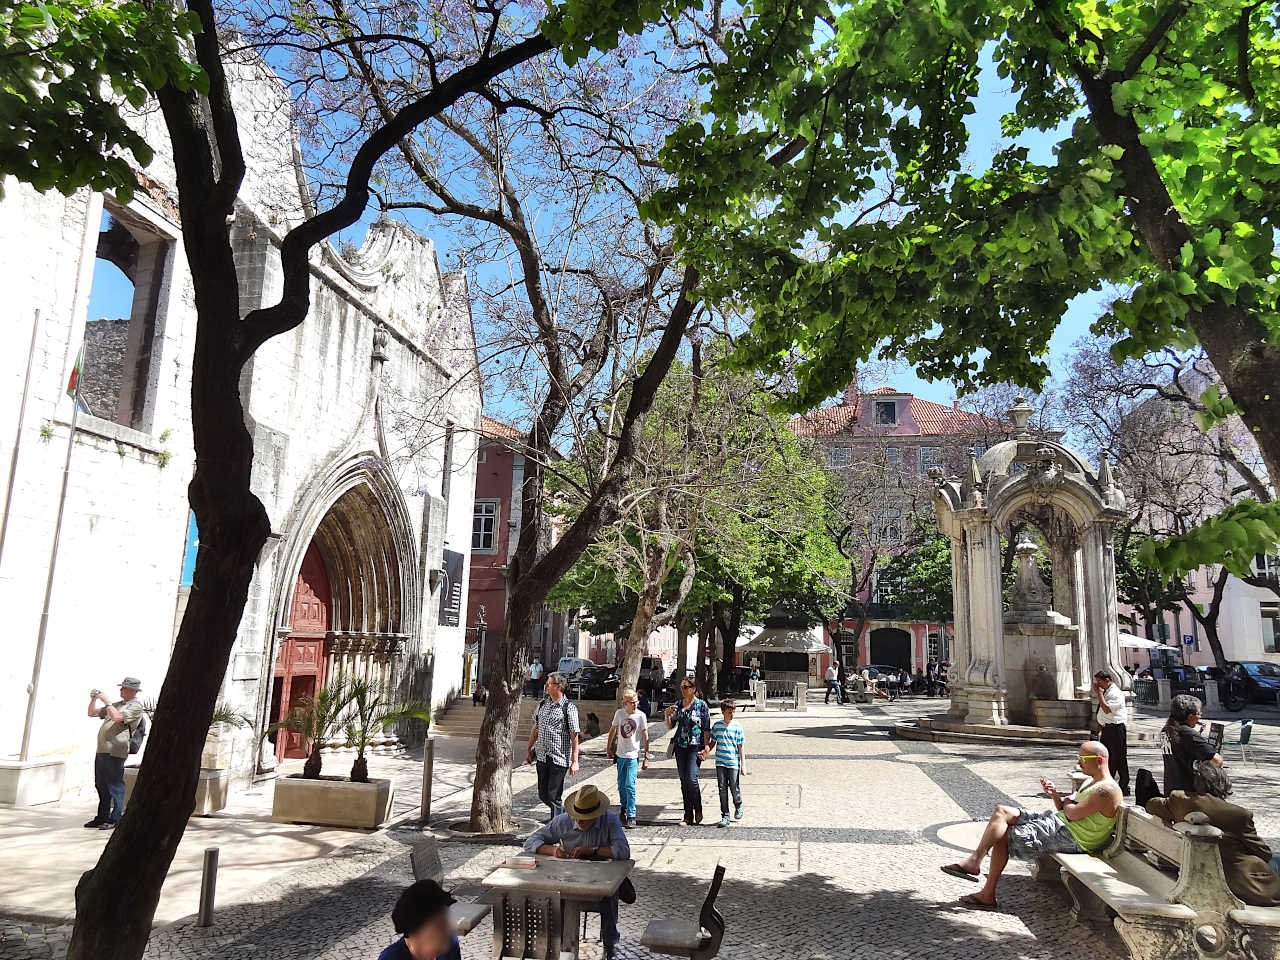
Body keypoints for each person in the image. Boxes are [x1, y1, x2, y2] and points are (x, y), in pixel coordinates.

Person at [940, 741, 1121, 910]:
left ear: (1099, 760)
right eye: (1078, 758)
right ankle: (975, 860)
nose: (1078, 763)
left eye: (1083, 759)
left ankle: (987, 892)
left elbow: (1072, 813)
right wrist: (1056, 795)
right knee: (1001, 812)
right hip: (1060, 824)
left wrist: (1068, 804)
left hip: (1074, 837)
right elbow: (1065, 808)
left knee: (1003, 833)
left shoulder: (1107, 790)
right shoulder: (1091, 781)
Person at [524, 785, 630, 959]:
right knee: (556, 897)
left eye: (586, 819)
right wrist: (553, 851)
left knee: (609, 896)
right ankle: (560, 943)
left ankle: (610, 942)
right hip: (568, 878)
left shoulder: (609, 821)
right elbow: (531, 842)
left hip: (601, 878)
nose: (580, 822)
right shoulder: (563, 821)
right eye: (578, 817)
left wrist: (593, 850)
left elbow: (623, 851)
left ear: (597, 815)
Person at [1144, 791, 1280, 907]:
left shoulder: (1179, 800)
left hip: (1191, 868)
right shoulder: (1239, 815)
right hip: (1238, 881)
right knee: (1276, 858)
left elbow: (1151, 805)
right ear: (1224, 787)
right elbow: (1264, 853)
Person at [85, 677, 144, 830]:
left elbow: (118, 718)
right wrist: (94, 700)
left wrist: (107, 701)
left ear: (133, 691)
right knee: (101, 785)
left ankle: (115, 818)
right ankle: (102, 817)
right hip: (102, 749)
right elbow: (91, 713)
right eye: (121, 688)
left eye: (124, 688)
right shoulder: (117, 704)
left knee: (115, 786)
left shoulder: (136, 706)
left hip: (116, 751)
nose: (121, 690)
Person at [525, 672, 580, 820]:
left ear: (558, 687)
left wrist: (574, 761)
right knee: (543, 794)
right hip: (542, 756)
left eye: (549, 683)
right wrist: (529, 749)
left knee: (554, 796)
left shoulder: (569, 708)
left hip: (559, 758)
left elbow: (574, 736)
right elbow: (535, 728)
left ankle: (556, 830)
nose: (546, 686)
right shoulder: (543, 704)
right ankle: (563, 816)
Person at [378, 878, 462, 960]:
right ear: (415, 930)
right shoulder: (391, 957)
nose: (449, 929)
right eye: (439, 925)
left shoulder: (451, 944)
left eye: (446, 920)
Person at [665, 678, 711, 825]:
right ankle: (687, 815)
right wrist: (667, 714)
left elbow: (706, 727)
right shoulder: (679, 704)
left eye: (686, 687)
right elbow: (670, 725)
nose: (683, 690)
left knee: (691, 779)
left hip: (695, 746)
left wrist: (706, 747)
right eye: (682, 687)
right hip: (680, 746)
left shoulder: (701, 705)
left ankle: (698, 808)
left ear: (693, 688)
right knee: (684, 781)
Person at [1159, 694, 1224, 795]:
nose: (1200, 716)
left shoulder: (1165, 730)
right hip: (1190, 794)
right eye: (1199, 713)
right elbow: (1217, 761)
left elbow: (1181, 752)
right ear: (1190, 716)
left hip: (1171, 791)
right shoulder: (1187, 733)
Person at [607, 690, 649, 828]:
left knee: (629, 785)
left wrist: (646, 756)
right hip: (620, 755)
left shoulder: (641, 716)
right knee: (621, 785)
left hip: (633, 755)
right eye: (632, 703)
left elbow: (645, 736)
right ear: (625, 703)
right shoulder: (619, 714)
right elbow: (613, 730)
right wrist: (608, 748)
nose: (635, 705)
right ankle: (624, 806)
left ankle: (631, 814)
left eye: (636, 701)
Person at [703, 698, 746, 827]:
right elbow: (712, 742)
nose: (731, 715)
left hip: (733, 762)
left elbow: (741, 747)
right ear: (723, 712)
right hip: (720, 762)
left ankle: (738, 805)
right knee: (722, 788)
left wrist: (743, 765)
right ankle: (725, 815)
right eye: (729, 712)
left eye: (733, 712)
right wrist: (706, 752)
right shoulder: (717, 726)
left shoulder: (737, 727)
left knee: (734, 786)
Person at [1092, 670, 1130, 796]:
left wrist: (1099, 693)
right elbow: (1103, 713)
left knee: (1119, 757)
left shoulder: (1116, 693)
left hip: (1116, 729)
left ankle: (1124, 785)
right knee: (1107, 757)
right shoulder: (1107, 692)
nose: (1098, 685)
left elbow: (1106, 709)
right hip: (1107, 728)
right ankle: (1109, 782)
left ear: (1107, 680)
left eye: (1099, 682)